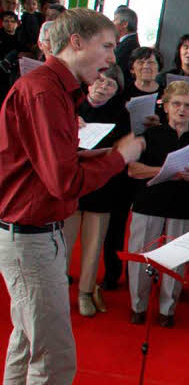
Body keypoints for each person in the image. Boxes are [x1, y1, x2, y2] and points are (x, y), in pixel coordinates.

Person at [0, 8, 145, 385]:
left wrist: (100, 155)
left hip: (35, 232)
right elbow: (63, 181)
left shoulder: (55, 89)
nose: (112, 58)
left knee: (27, 346)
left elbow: (51, 159)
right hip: (30, 235)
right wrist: (118, 159)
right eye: (107, 47)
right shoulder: (44, 90)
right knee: (55, 355)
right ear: (77, 42)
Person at [124, 81, 189, 326]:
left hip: (184, 206)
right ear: (166, 107)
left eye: (187, 106)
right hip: (149, 203)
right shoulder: (150, 135)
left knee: (177, 259)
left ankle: (167, 309)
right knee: (141, 256)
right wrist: (164, 171)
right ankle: (138, 305)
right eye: (176, 104)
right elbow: (132, 170)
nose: (181, 110)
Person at [66, 64, 129, 317]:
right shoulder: (73, 106)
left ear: (117, 91)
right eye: (100, 81)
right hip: (72, 183)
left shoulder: (121, 114)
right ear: (89, 82)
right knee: (64, 241)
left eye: (111, 84)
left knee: (93, 245)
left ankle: (85, 292)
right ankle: (59, 287)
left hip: (102, 186)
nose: (104, 87)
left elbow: (122, 151)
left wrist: (104, 154)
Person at [101, 46, 163, 291]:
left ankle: (141, 275)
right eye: (142, 63)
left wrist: (159, 125)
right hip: (124, 164)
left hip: (152, 164)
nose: (147, 67)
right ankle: (112, 272)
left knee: (148, 225)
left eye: (152, 63)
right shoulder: (122, 94)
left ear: (159, 69)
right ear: (132, 67)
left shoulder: (167, 95)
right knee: (116, 223)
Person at [112, 5, 139, 81]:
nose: (112, 23)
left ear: (124, 24)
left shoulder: (129, 46)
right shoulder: (125, 43)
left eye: (115, 20)